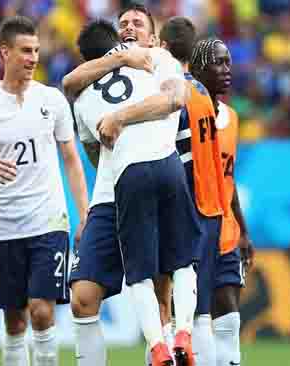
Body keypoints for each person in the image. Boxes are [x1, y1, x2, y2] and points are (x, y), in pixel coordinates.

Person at [71, 18, 202, 366]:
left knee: (147, 281)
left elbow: (96, 148)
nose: (130, 30)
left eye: (137, 24)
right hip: (140, 179)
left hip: (133, 176)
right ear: (117, 43)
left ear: (153, 37)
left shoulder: (153, 62)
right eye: (124, 24)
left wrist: (119, 118)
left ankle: (161, 349)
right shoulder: (153, 65)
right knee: (84, 296)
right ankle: (180, 337)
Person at [0, 15, 89, 366]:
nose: (33, 57)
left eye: (36, 50)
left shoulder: (51, 100)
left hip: (48, 221)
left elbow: (71, 159)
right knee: (14, 320)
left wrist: (83, 214)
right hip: (5, 225)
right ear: (4, 52)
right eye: (25, 50)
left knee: (40, 312)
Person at [158, 17, 226, 366]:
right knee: (200, 313)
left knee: (170, 310)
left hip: (185, 207)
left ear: (164, 48)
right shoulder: (203, 94)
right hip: (210, 207)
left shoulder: (172, 94)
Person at [190, 38, 254, 366]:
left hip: (226, 233)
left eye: (229, 62)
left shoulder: (232, 117)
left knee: (228, 318)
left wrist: (243, 230)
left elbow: (227, 181)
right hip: (193, 231)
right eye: (218, 62)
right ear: (199, 69)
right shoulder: (184, 115)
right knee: (192, 322)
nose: (227, 69)